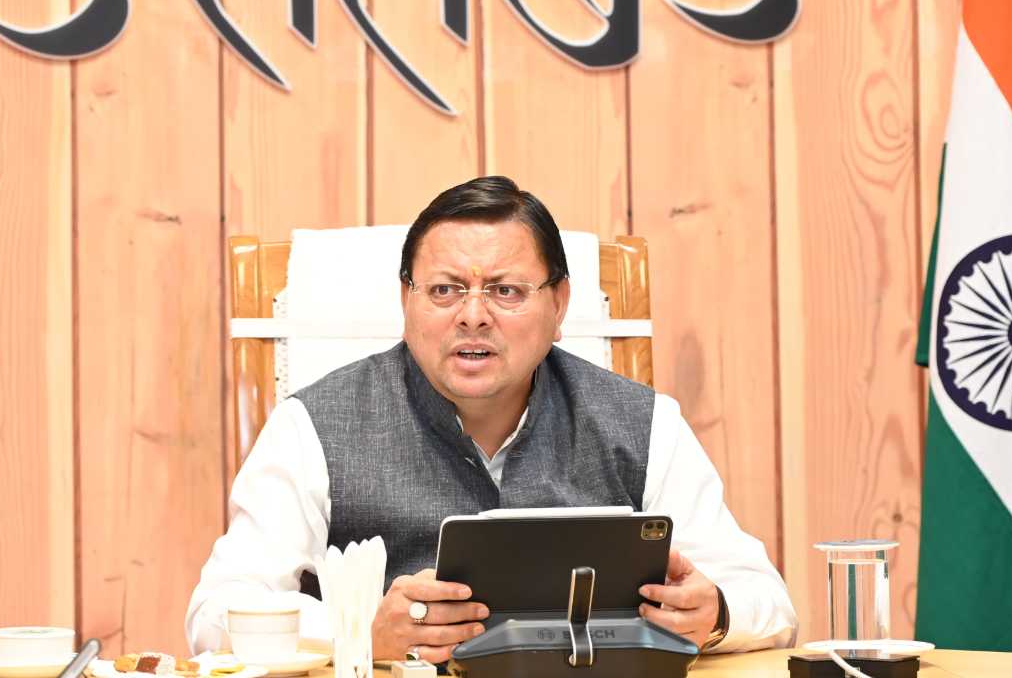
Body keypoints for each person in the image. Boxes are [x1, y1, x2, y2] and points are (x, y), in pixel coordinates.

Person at [186, 176, 797, 662]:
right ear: (406, 301)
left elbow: (767, 602)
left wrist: (714, 614)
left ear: (559, 304)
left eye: (506, 291)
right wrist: (359, 631)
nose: (473, 316)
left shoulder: (644, 423)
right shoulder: (313, 426)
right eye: (445, 290)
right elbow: (215, 614)